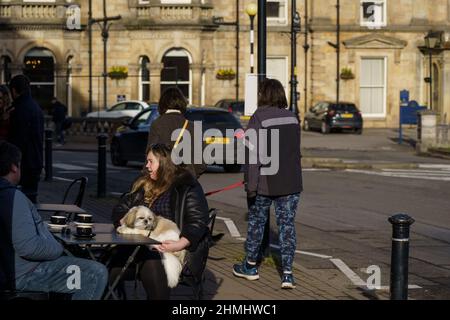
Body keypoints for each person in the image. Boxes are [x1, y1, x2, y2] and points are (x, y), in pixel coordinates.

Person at [0, 141, 108, 300]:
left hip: (10, 270)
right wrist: (58, 247)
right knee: (95, 273)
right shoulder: (13, 197)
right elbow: (29, 248)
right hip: (23, 274)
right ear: (14, 167)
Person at [110, 143, 209, 300]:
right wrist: (125, 219)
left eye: (151, 161)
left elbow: (198, 222)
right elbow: (120, 208)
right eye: (147, 161)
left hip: (175, 249)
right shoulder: (143, 183)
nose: (147, 166)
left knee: (152, 262)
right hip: (136, 247)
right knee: (105, 266)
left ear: (163, 163)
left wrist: (179, 244)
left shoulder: (187, 186)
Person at [232, 78, 303, 289]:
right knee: (287, 227)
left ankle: (250, 266)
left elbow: (254, 157)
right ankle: (288, 274)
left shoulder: (259, 117)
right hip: (290, 182)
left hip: (265, 183)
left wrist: (250, 186)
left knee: (256, 223)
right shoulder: (292, 118)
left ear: (263, 95)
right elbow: (294, 152)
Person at [147, 87, 206, 178]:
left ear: (162, 103)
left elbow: (150, 155)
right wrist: (191, 175)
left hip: (163, 180)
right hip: (187, 181)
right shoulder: (193, 126)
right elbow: (201, 163)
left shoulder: (157, 124)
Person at [7, 75, 44, 203]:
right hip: (35, 161)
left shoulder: (19, 110)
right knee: (31, 199)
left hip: (24, 164)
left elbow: (17, 141)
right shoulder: (35, 107)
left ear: (14, 90)